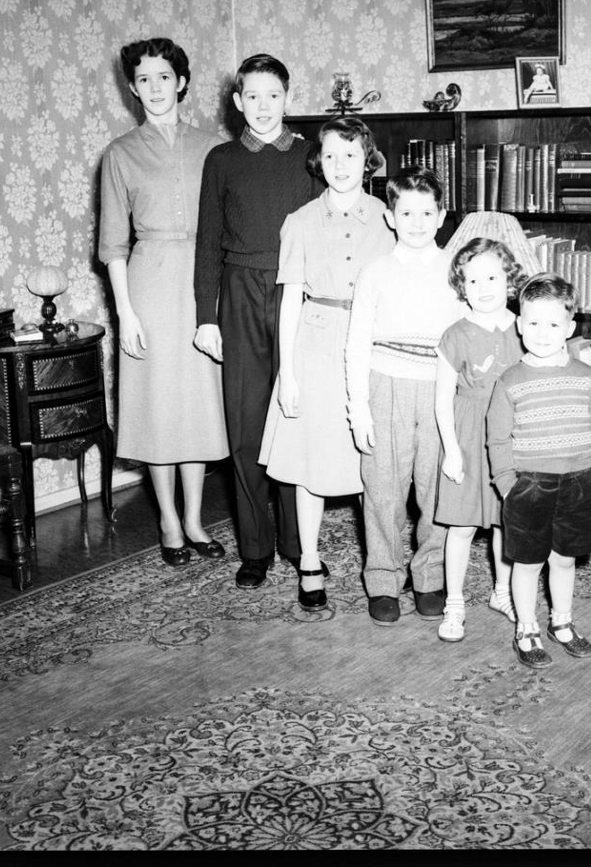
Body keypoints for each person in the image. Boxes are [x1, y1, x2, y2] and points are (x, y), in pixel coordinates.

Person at [193, 54, 323, 589]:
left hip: (299, 294)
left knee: (294, 420)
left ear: (288, 98)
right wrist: (206, 317)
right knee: (246, 426)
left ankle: (298, 543)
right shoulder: (222, 160)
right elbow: (207, 243)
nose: (263, 106)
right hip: (240, 294)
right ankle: (254, 548)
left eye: (273, 95)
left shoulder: (311, 156)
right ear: (237, 101)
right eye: (252, 96)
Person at [98, 37, 228, 567]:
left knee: (197, 405)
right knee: (158, 406)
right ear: (133, 88)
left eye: (164, 77)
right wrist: (125, 312)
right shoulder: (120, 154)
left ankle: (195, 519)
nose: (155, 88)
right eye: (144, 79)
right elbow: (113, 244)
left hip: (204, 281)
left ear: (182, 82)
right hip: (148, 285)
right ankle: (169, 522)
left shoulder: (214, 147)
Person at [258, 117, 394, 611]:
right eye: (331, 155)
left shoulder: (387, 218)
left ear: (367, 161)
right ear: (319, 161)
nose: (341, 165)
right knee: (310, 461)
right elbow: (290, 301)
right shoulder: (299, 221)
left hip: (372, 344)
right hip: (316, 346)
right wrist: (287, 374)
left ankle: (380, 562)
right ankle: (310, 560)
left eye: (351, 155)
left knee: (370, 460)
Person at [346, 165, 465, 627]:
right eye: (407, 213)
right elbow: (356, 342)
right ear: (390, 217)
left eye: (427, 213)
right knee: (383, 489)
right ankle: (383, 578)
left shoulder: (455, 272)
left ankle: (430, 575)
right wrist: (359, 408)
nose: (417, 222)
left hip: (439, 390)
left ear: (441, 217)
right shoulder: (375, 272)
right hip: (385, 386)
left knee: (436, 487)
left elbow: (467, 336)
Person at [487, 273, 591, 668]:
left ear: (570, 329)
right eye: (534, 323)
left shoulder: (586, 376)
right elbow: (497, 439)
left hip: (580, 482)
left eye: (554, 324)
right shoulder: (510, 381)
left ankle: (562, 622)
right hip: (529, 485)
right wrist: (508, 485)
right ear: (519, 324)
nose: (543, 333)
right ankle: (526, 629)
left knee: (564, 559)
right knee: (527, 563)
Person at [433, 237, 526, 642]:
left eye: (492, 277)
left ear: (509, 280)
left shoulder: (523, 328)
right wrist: (452, 451)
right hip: (469, 434)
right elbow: (442, 399)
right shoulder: (455, 335)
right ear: (462, 287)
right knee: (462, 525)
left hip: (511, 437)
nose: (483, 288)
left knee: (507, 520)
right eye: (473, 281)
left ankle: (502, 592)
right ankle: (454, 604)